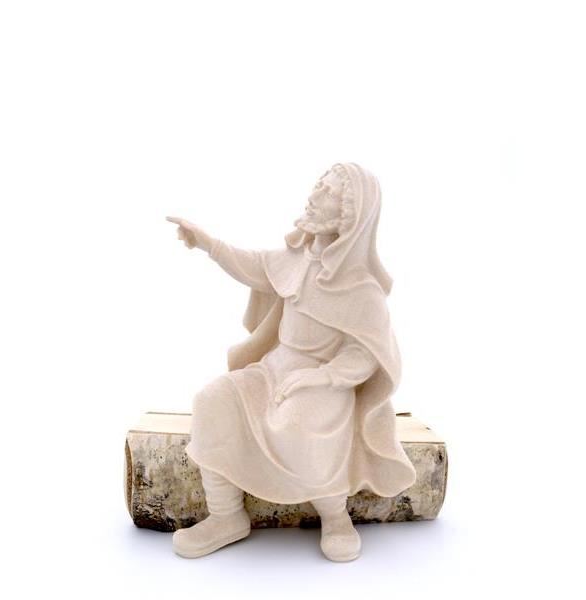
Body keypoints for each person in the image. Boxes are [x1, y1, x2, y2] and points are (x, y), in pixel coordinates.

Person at [167, 163, 415, 562]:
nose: (314, 196)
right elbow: (253, 265)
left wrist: (322, 378)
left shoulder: (361, 289)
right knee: (212, 399)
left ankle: (335, 516)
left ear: (350, 215)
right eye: (318, 186)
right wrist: (207, 243)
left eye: (328, 192)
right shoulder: (295, 259)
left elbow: (365, 353)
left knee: (302, 424)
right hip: (274, 368)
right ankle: (226, 515)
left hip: (325, 380)